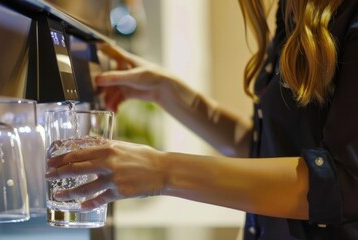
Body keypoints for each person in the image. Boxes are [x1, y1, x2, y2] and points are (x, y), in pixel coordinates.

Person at [45, 0, 358, 239]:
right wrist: (167, 92)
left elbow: (343, 182)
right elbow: (268, 149)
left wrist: (161, 171)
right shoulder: (293, 11)